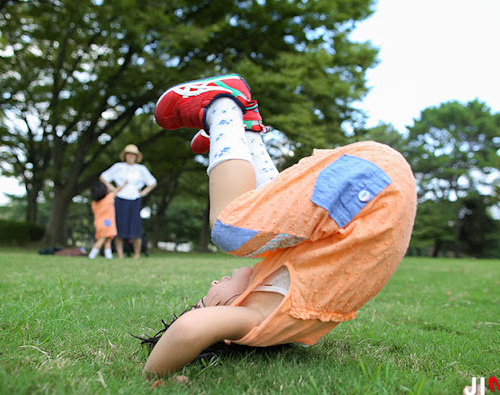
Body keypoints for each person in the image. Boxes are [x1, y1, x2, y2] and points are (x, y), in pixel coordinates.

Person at [143, 74, 417, 376]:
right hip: (372, 194)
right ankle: (222, 107)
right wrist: (154, 376)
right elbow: (188, 330)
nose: (211, 285)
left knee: (266, 219)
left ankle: (245, 133)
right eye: (203, 302)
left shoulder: (280, 291)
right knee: (229, 229)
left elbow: (280, 212)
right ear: (223, 326)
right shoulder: (257, 319)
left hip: (378, 184)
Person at [100, 144, 157, 259]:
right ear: (125, 155)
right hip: (120, 199)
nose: (131, 156)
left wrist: (143, 193)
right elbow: (103, 177)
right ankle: (120, 255)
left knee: (136, 228)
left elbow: (152, 182)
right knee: (119, 228)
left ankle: (137, 255)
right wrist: (113, 189)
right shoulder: (118, 167)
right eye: (129, 154)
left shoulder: (141, 169)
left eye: (133, 155)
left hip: (134, 199)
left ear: (136, 157)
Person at [88, 181, 125, 259]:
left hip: (98, 223)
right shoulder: (108, 199)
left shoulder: (94, 203)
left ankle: (109, 256)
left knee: (107, 240)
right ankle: (92, 255)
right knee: (102, 239)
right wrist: (124, 184)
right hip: (107, 223)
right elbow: (117, 190)